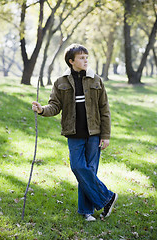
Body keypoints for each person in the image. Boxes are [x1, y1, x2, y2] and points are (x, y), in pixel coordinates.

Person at [32, 43, 118, 221]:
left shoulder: (96, 80)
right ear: (71, 61)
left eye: (86, 57)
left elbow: (105, 109)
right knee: (79, 168)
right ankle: (107, 197)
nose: (85, 60)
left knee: (90, 172)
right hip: (73, 133)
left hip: (94, 134)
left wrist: (106, 135)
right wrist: (42, 110)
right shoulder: (60, 82)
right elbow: (55, 106)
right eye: (81, 58)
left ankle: (86, 212)